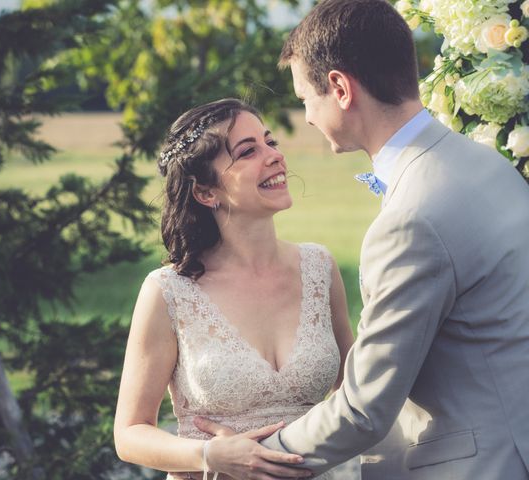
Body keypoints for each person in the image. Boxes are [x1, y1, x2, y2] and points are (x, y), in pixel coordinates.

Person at [191, 1, 529, 479]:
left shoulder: (412, 216)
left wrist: (255, 458)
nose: (305, 118)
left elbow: (363, 408)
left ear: (340, 88)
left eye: (306, 98)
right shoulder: (485, 165)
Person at [113, 98, 357, 479]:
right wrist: (211, 454)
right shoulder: (169, 292)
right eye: (248, 152)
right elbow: (129, 434)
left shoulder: (319, 268)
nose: (273, 156)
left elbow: (358, 392)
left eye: (270, 142)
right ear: (206, 193)